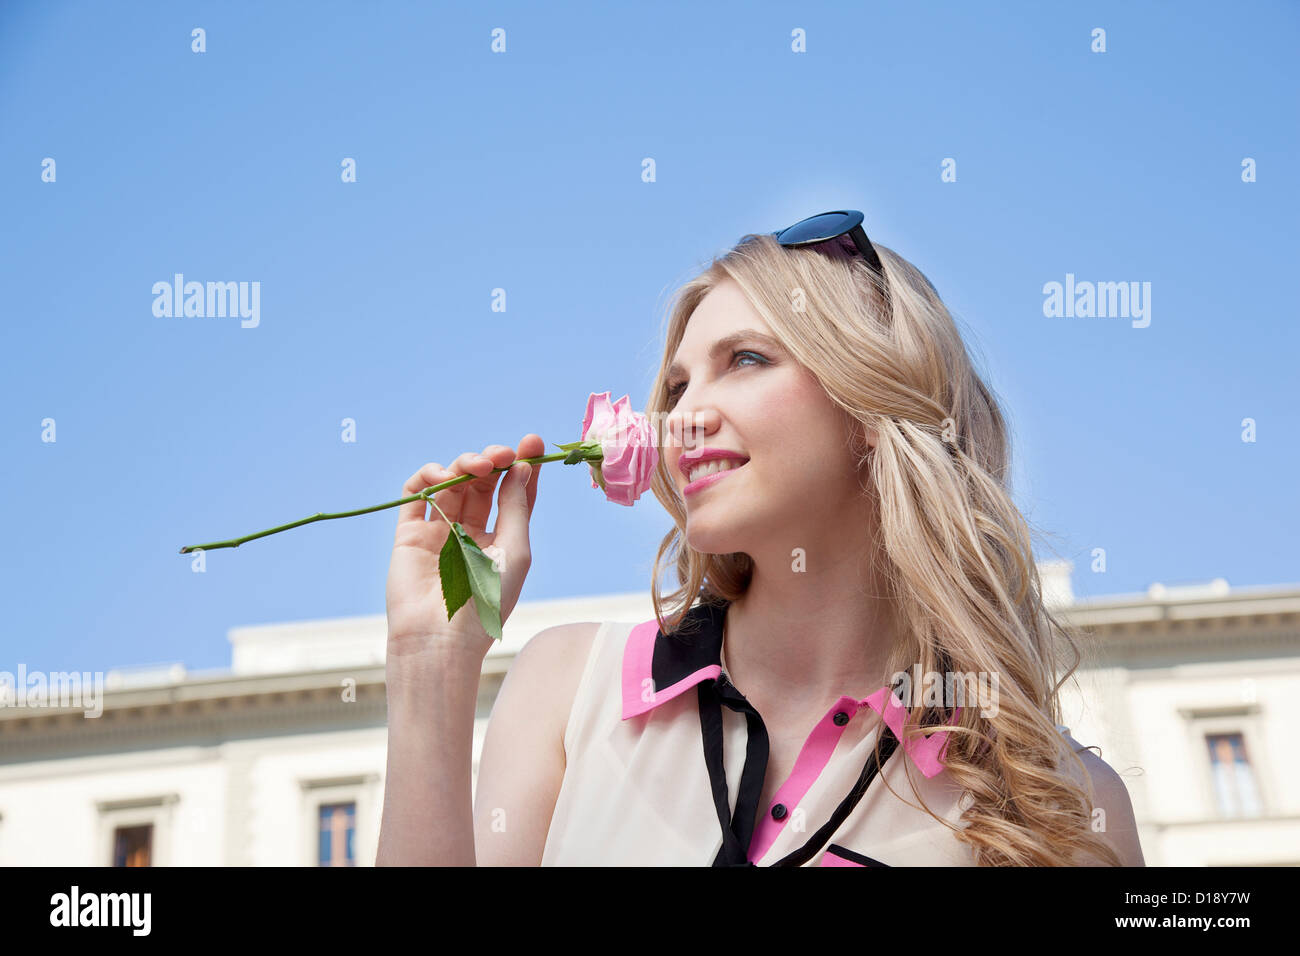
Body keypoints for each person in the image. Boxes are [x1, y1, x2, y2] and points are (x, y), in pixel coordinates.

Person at [375, 212, 1145, 867]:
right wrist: (430, 666)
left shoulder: (1058, 802)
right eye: (677, 387)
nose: (682, 417)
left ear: (873, 407)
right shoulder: (570, 685)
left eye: (745, 359)